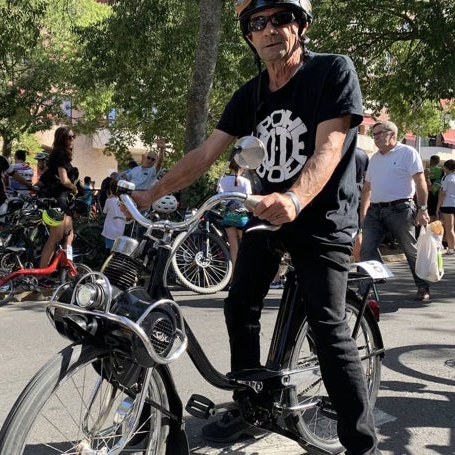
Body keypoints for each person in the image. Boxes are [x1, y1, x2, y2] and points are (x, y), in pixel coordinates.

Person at [131, 1, 378, 452]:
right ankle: (251, 405)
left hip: (322, 218)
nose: (268, 30)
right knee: (239, 302)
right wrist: (149, 194)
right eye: (257, 24)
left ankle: (361, 444)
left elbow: (331, 145)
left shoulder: (332, 71)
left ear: (301, 25)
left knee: (327, 325)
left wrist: (296, 197)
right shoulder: (250, 94)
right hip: (267, 214)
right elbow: (205, 155)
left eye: (280, 18)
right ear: (249, 37)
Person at [360, 120, 430, 301]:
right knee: (366, 250)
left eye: (378, 133)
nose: (375, 138)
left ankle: (423, 286)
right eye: (373, 135)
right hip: (375, 211)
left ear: (392, 134)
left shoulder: (408, 153)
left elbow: (421, 183)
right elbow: (367, 189)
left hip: (401, 209)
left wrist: (423, 209)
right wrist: (363, 215)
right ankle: (365, 292)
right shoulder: (374, 158)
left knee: (410, 250)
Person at [35, 126, 78, 267]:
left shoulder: (56, 155)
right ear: (61, 139)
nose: (72, 140)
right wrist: (74, 187)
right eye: (68, 137)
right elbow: (64, 180)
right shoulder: (60, 154)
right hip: (58, 200)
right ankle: (42, 276)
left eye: (73, 137)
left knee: (68, 236)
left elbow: (47, 174)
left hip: (60, 200)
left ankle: (67, 270)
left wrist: (37, 186)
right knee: (55, 238)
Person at [217, 159, 252, 271]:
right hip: (242, 216)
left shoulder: (223, 180)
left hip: (228, 215)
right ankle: (245, 273)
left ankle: (234, 275)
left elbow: (221, 199)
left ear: (230, 167)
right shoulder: (245, 182)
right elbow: (248, 200)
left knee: (233, 247)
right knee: (245, 246)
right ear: (242, 168)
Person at [436, 159, 455, 256]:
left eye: (444, 167)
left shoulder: (446, 178)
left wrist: (437, 207)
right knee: (451, 227)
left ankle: (452, 249)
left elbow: (442, 193)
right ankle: (448, 246)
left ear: (447, 168)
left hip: (447, 204)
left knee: (449, 228)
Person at [101, 180, 126, 252]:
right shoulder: (124, 202)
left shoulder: (109, 200)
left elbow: (104, 211)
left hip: (110, 230)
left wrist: (108, 198)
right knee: (117, 249)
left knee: (109, 251)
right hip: (120, 229)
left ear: (111, 190)